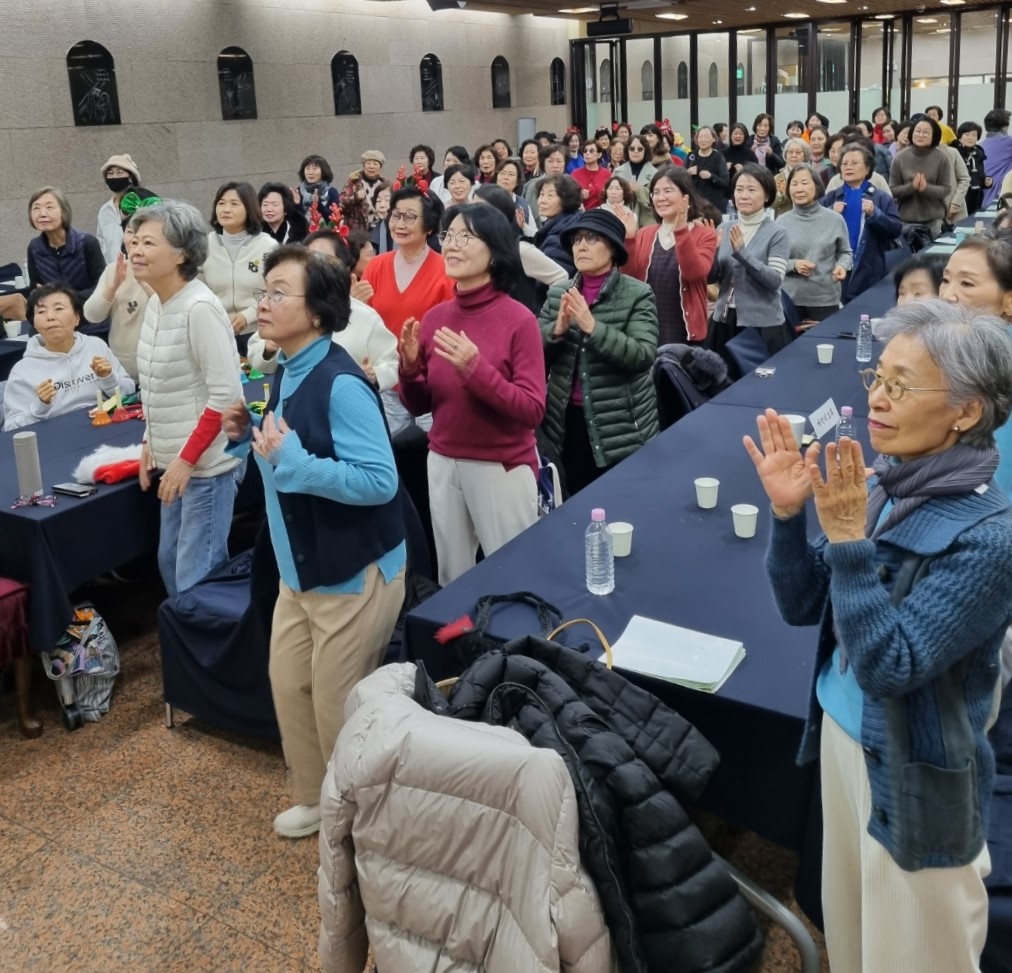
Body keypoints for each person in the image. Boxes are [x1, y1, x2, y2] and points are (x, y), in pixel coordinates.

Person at [743, 298, 1012, 973]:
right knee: (852, 940)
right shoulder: (891, 484)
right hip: (845, 741)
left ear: (966, 412)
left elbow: (890, 665)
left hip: (913, 778)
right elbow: (804, 603)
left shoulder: (989, 538)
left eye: (902, 385)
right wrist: (787, 516)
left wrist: (846, 539)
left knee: (916, 954)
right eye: (878, 378)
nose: (877, 399)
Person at [222, 246, 405, 840]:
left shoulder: (341, 382)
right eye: (264, 291)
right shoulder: (288, 367)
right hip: (299, 569)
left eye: (279, 293)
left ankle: (359, 821)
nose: (264, 302)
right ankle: (314, 797)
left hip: (353, 571)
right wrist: (249, 434)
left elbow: (379, 481)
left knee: (336, 704)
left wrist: (294, 462)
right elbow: (287, 446)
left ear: (319, 312)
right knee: (290, 686)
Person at [398, 203, 545, 585]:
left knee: (514, 576)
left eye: (466, 237)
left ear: (494, 252)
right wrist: (410, 369)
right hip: (443, 461)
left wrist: (475, 370)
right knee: (453, 579)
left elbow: (532, 409)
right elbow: (420, 404)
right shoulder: (436, 317)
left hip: (501, 466)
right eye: (449, 236)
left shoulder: (519, 320)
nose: (451, 245)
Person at [129, 200, 244, 598]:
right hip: (175, 460)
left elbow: (226, 395)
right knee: (170, 562)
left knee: (197, 576)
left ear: (181, 254)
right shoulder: (157, 304)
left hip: (206, 467)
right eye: (135, 241)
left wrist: (187, 459)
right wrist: (151, 440)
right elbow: (158, 384)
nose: (136, 249)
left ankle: (208, 639)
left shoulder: (199, 309)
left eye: (149, 243)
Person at [539, 209, 660, 494]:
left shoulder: (637, 293)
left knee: (617, 500)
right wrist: (556, 331)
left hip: (619, 424)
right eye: (577, 239)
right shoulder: (558, 293)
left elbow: (643, 355)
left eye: (591, 238)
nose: (581, 245)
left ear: (614, 248)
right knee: (571, 500)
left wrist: (593, 327)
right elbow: (533, 357)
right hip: (564, 421)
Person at [248, 229, 399, 395]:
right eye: (308, 260)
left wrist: (374, 375)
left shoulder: (366, 317)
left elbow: (392, 363)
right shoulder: (286, 310)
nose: (314, 268)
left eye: (323, 261)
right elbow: (258, 359)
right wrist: (269, 348)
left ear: (345, 268)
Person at [359, 187, 452, 435]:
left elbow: (450, 330)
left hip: (430, 383)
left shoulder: (446, 270)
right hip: (387, 381)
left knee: (432, 446)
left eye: (410, 217)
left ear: (429, 226)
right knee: (391, 446)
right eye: (396, 215)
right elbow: (365, 323)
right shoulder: (375, 266)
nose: (400, 224)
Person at [3, 285, 134, 432]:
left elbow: (129, 394)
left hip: (106, 426)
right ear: (33, 323)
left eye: (58, 309)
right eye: (41, 311)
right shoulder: (22, 371)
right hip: (56, 436)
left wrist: (109, 378)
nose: (50, 317)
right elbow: (11, 428)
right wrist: (40, 407)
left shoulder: (95, 346)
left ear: (77, 317)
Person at [939, 234, 1012, 491]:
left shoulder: (1000, 367)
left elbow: (998, 480)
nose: (947, 295)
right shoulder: (956, 348)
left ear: (1009, 300)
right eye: (945, 280)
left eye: (967, 284)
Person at [624, 166, 718, 345]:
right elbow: (630, 278)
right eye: (656, 192)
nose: (661, 198)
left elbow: (694, 274)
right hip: (646, 329)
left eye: (668, 191)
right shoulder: (645, 233)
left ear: (686, 196)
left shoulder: (704, 234)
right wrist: (629, 239)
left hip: (685, 334)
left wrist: (681, 230)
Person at [707, 163, 791, 358]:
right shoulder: (724, 228)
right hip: (723, 320)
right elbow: (711, 279)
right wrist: (710, 251)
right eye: (739, 189)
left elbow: (774, 280)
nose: (743, 196)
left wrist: (742, 253)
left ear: (767, 195)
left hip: (762, 325)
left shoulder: (777, 233)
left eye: (751, 190)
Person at [83, 188, 162, 381]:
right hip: (123, 371)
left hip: (162, 368)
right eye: (130, 232)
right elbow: (92, 315)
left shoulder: (168, 269)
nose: (135, 239)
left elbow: (171, 310)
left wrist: (143, 281)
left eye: (144, 234)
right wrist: (112, 287)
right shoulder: (114, 269)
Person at [200, 181, 278, 351]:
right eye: (221, 203)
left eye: (234, 204)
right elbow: (198, 290)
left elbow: (277, 291)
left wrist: (248, 316)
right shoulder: (205, 245)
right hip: (218, 331)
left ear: (249, 208)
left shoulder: (268, 246)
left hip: (259, 332)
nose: (226, 209)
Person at [821, 144, 902, 303]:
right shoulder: (831, 197)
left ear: (867, 168)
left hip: (870, 271)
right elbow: (814, 227)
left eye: (854, 163)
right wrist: (830, 212)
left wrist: (875, 214)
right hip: (835, 270)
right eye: (844, 163)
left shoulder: (881, 198)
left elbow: (895, 230)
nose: (848, 167)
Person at [472, 183, 568, 312]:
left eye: (480, 209)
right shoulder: (474, 246)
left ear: (500, 213)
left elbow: (560, 277)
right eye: (471, 207)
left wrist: (547, 314)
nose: (472, 214)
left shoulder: (520, 249)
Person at [778, 164, 852, 322]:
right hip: (789, 300)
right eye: (794, 184)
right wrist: (794, 265)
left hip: (825, 299)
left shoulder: (835, 219)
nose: (799, 189)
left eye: (804, 183)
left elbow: (845, 252)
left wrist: (842, 266)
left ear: (817, 186)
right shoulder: (781, 221)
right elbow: (772, 260)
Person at [25, 187, 106, 312]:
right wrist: (38, 294)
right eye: (36, 208)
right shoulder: (34, 247)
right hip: (54, 316)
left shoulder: (87, 243)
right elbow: (34, 289)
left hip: (89, 314)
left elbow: (102, 286)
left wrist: (64, 298)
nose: (42, 214)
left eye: (49, 207)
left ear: (63, 211)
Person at [889, 117, 953, 238]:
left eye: (926, 132)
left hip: (934, 220)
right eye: (917, 131)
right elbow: (892, 189)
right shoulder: (899, 157)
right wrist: (911, 187)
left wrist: (925, 188)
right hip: (905, 220)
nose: (920, 135)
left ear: (934, 136)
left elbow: (946, 189)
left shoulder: (942, 157)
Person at [534, 174, 583, 278]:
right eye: (542, 194)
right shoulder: (557, 224)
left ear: (566, 199)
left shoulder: (562, 236)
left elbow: (550, 280)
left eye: (550, 195)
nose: (542, 200)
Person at [96, 154, 141, 263]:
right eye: (110, 173)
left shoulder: (142, 205)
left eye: (120, 172)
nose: (114, 177)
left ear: (130, 177)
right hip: (114, 269)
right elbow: (101, 243)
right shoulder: (104, 211)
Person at [612, 135, 657, 226]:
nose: (635, 151)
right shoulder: (617, 172)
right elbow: (609, 195)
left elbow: (657, 199)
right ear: (627, 150)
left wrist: (639, 189)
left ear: (645, 151)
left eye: (640, 149)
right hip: (621, 220)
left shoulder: (655, 173)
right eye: (632, 148)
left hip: (647, 222)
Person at [685, 126, 729, 214]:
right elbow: (681, 179)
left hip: (714, 205)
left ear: (714, 139)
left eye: (706, 136)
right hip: (695, 203)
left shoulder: (718, 157)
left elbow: (725, 183)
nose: (703, 139)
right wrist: (687, 173)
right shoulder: (691, 156)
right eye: (700, 137)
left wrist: (711, 176)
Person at [772, 138, 812, 218]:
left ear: (805, 155)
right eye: (790, 152)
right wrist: (781, 194)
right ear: (786, 155)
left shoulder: (811, 176)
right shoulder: (778, 178)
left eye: (798, 152)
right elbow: (771, 206)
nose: (794, 155)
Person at [955, 122, 988, 216]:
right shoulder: (954, 152)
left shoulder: (979, 153)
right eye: (967, 134)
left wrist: (985, 181)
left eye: (974, 135)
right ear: (960, 136)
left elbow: (979, 173)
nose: (970, 138)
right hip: (960, 195)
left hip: (976, 194)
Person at [493, 158, 534, 232]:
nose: (506, 177)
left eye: (511, 174)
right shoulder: (486, 200)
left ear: (517, 181)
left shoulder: (523, 204)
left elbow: (535, 234)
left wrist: (524, 226)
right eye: (502, 173)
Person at [982, 109, 1012, 207]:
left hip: (983, 195)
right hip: (999, 195)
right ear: (1005, 126)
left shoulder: (982, 144)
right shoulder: (1008, 143)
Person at [571, 139, 610, 211]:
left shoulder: (607, 174)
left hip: (603, 213)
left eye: (591, 151)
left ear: (599, 155)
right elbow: (569, 197)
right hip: (582, 214)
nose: (587, 153)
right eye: (585, 151)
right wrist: (579, 196)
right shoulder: (575, 174)